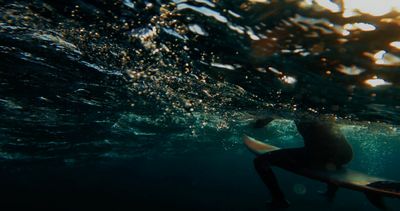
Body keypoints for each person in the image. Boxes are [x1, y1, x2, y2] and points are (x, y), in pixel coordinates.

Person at [252, 115, 353, 209]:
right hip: (346, 154)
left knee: (260, 161)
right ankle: (330, 193)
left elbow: (259, 124)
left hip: (320, 155)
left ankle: (279, 199)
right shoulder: (317, 107)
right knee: (332, 165)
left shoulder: (296, 106)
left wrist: (255, 123)